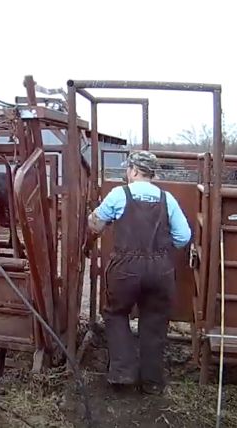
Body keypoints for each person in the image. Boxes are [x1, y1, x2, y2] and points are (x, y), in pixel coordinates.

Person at [83, 150, 191, 395]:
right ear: (151, 173)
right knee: (154, 321)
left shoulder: (119, 195)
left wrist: (93, 227)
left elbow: (95, 224)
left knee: (116, 313)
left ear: (132, 170)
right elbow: (183, 237)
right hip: (160, 269)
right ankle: (152, 381)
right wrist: (160, 252)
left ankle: (122, 373)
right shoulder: (167, 198)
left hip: (126, 269)